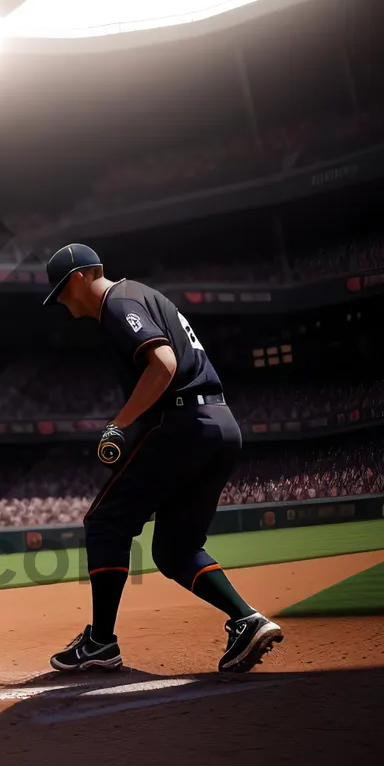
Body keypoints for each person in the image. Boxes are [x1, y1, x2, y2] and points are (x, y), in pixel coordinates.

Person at [42, 243, 283, 673]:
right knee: (175, 549)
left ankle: (100, 642)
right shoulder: (140, 296)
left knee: (104, 521)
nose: (60, 302)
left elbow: (164, 364)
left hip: (185, 424)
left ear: (78, 278)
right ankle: (246, 619)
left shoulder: (118, 301)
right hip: (219, 425)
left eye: (60, 291)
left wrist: (118, 425)